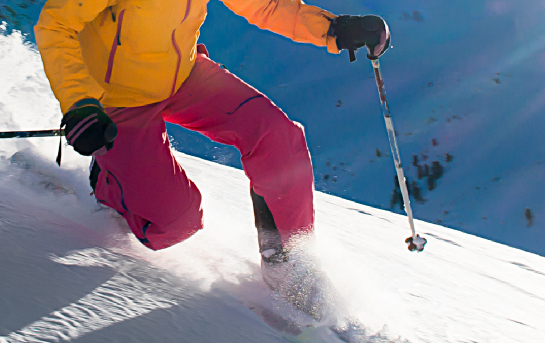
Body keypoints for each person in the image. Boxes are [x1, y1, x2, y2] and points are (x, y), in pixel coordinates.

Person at [34, 0, 389, 316]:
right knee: (176, 224)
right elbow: (55, 25)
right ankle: (108, 179)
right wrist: (80, 103)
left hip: (183, 75)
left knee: (278, 137)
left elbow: (264, 5)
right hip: (117, 98)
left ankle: (287, 261)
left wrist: (334, 29)